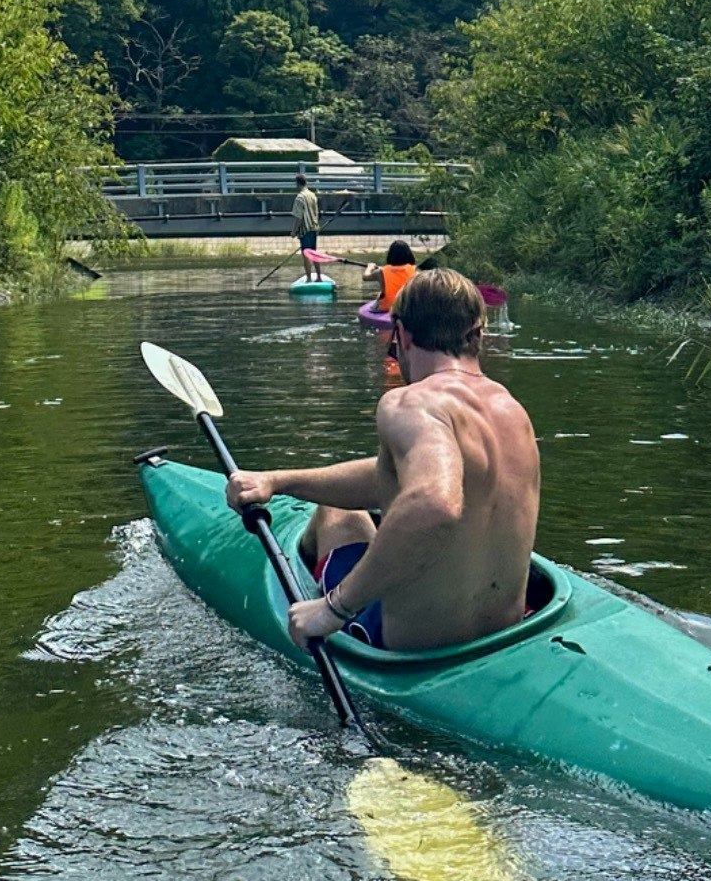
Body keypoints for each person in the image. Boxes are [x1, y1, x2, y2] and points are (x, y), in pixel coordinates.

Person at [224, 269, 540, 652]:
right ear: (479, 333)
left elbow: (433, 502)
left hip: (413, 648)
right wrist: (278, 481)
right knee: (346, 504)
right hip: (506, 632)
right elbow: (401, 480)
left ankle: (318, 589)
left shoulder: (410, 402)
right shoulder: (512, 411)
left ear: (402, 334)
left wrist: (334, 609)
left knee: (335, 514)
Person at [362, 240, 416, 311]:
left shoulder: (381, 272)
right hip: (407, 309)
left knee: (380, 295)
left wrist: (370, 267)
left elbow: (365, 277)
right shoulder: (415, 270)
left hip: (386, 308)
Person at [289, 173, 323, 281]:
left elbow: (298, 217)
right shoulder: (313, 195)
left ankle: (308, 278)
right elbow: (316, 213)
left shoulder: (300, 198)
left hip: (305, 230)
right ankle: (319, 277)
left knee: (306, 254)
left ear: (297, 184)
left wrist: (294, 231)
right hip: (314, 228)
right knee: (314, 253)